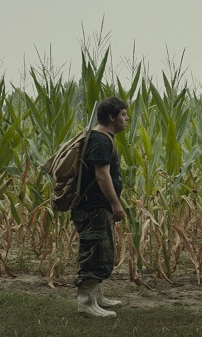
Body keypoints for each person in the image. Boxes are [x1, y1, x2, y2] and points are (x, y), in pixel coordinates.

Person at [72, 96, 129, 318]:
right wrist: (115, 203)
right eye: (123, 115)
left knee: (101, 251)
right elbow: (102, 175)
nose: (126, 119)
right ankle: (86, 303)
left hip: (96, 207)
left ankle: (97, 297)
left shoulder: (102, 138)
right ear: (111, 117)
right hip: (93, 207)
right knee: (94, 251)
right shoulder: (100, 140)